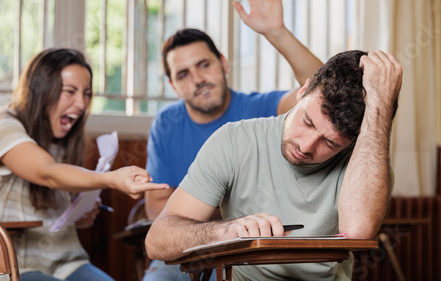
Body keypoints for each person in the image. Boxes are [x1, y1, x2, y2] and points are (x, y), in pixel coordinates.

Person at [145, 50, 403, 280]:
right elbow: (157, 241)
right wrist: (225, 231)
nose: (306, 146)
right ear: (303, 91)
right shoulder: (234, 140)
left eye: (330, 143)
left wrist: (379, 105)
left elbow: (357, 232)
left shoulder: (367, 161)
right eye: (308, 122)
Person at [143, 0, 322, 281]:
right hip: (189, 251)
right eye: (183, 74)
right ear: (173, 85)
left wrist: (276, 31)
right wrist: (228, 212)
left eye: (204, 65)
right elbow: (156, 210)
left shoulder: (261, 109)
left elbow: (322, 91)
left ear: (223, 63)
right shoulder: (166, 123)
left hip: (247, 251)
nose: (198, 79)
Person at [0, 48, 169, 281]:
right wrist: (111, 179)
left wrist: (79, 214)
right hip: (11, 267)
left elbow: (53, 201)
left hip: (67, 264)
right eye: (69, 92)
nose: (81, 103)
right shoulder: (1, 125)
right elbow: (48, 173)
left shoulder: (64, 140)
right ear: (41, 91)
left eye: (86, 93)